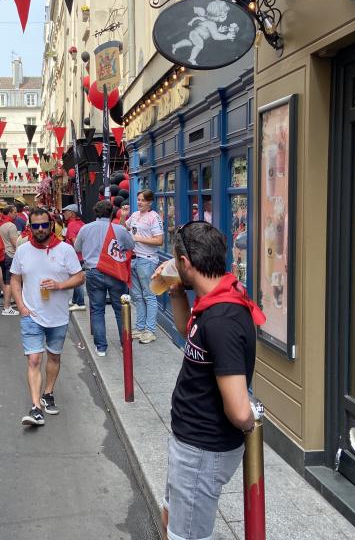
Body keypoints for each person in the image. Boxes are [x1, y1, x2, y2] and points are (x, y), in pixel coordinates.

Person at [155, 222, 265, 540]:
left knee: (186, 536)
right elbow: (188, 334)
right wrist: (176, 291)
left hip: (202, 449)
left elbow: (240, 411)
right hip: (190, 442)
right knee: (171, 520)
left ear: (186, 264)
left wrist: (248, 424)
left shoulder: (222, 319)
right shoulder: (213, 302)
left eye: (177, 262)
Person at [10, 208, 84, 426]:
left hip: (58, 315)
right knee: (34, 359)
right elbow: (14, 279)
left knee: (54, 357)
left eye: (44, 225)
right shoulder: (23, 251)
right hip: (31, 314)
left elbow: (79, 277)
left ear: (51, 225)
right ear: (30, 227)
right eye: (36, 226)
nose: (40, 229)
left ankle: (48, 393)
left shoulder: (65, 250)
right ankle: (36, 407)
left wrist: (60, 285)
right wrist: (22, 306)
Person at [74, 200, 135, 356]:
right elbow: (130, 245)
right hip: (114, 271)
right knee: (121, 309)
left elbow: (77, 248)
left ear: (96, 213)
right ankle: (125, 344)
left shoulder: (85, 229)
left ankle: (101, 347)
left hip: (93, 271)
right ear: (112, 213)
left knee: (97, 309)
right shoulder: (119, 230)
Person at [127, 190, 165, 344]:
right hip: (134, 259)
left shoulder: (154, 217)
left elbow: (159, 240)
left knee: (149, 295)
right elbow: (126, 226)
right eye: (138, 199)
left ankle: (150, 330)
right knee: (137, 296)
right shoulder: (135, 215)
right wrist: (123, 216)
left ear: (150, 202)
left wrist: (138, 238)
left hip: (147, 260)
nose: (140, 202)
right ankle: (140, 327)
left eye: (143, 200)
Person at [0, 205, 20, 316]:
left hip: (3, 254)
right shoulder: (11, 226)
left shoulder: (1, 225)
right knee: (9, 282)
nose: (16, 214)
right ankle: (7, 307)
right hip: (10, 255)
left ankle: (6, 304)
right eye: (14, 212)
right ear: (9, 213)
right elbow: (15, 243)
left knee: (5, 281)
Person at [62, 204, 86, 312]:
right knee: (76, 277)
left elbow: (75, 244)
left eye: (65, 211)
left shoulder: (72, 225)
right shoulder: (82, 224)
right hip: (82, 255)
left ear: (71, 213)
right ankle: (75, 300)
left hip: (75, 256)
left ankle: (80, 302)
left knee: (77, 278)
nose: (63, 214)